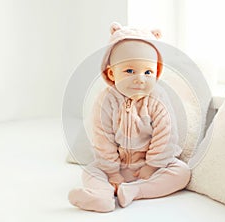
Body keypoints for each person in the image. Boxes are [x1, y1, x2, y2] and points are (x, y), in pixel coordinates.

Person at [68, 22, 191, 212]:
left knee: (181, 172)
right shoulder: (106, 100)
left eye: (148, 72)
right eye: (130, 71)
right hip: (117, 166)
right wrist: (112, 172)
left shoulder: (157, 98)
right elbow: (102, 138)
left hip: (151, 167)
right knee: (91, 171)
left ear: (156, 73)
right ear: (111, 73)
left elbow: (166, 134)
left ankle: (134, 191)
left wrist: (151, 166)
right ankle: (102, 197)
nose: (140, 78)